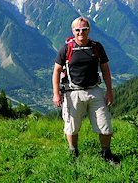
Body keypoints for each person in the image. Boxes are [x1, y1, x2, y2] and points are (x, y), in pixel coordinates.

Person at [52, 16, 120, 164]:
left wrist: (109, 91)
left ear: (89, 30)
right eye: (77, 30)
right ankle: (73, 152)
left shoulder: (96, 47)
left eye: (84, 29)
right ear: (73, 31)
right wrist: (56, 94)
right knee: (71, 126)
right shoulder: (66, 49)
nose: (80, 32)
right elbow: (56, 71)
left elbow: (105, 69)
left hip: (94, 90)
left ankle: (106, 153)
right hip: (72, 91)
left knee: (105, 124)